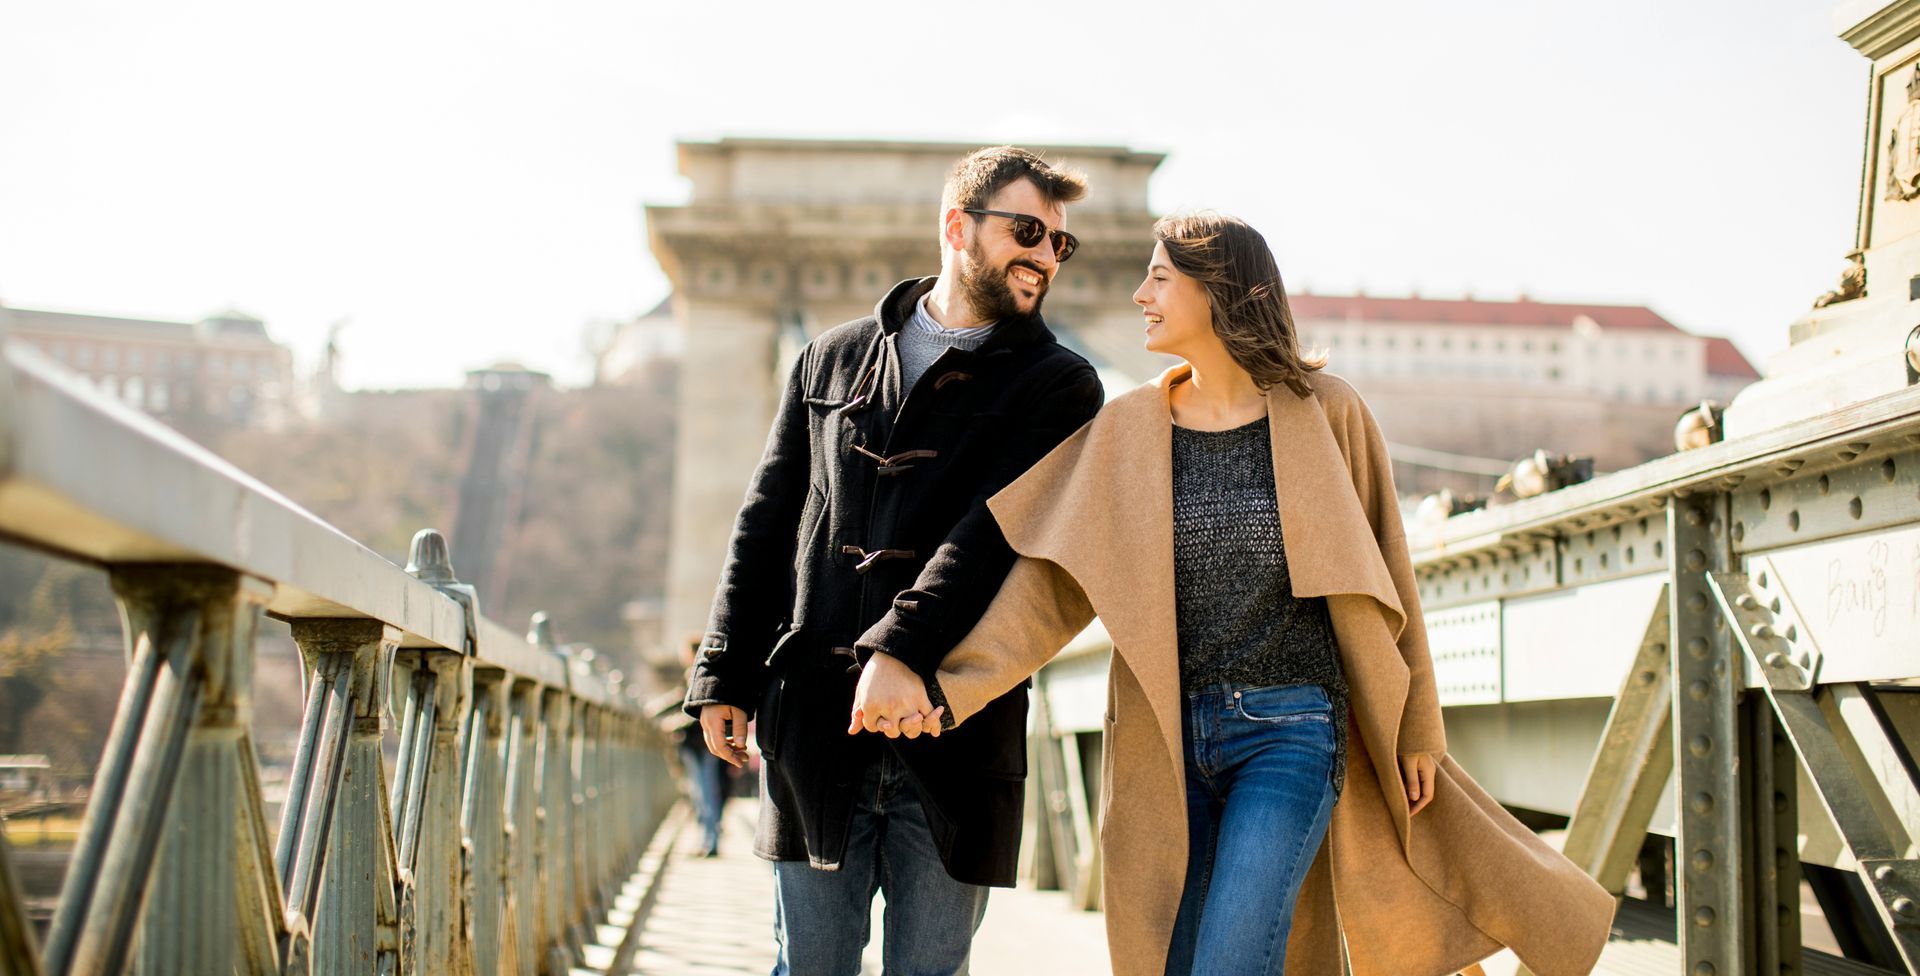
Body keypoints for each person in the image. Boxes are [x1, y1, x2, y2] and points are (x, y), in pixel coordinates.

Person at [861, 213, 1615, 976]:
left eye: (1159, 277)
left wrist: (1418, 727)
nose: (1138, 295)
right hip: (1169, 739)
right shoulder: (1127, 429)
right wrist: (945, 687)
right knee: (1175, 960)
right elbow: (1050, 591)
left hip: (1294, 731)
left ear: (1218, 290)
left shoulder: (1329, 412)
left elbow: (1391, 570)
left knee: (1234, 961)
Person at [682, 146, 1105, 975]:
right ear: (958, 226)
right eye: (1026, 230)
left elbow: (993, 534)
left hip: (953, 732)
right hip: (813, 726)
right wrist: (725, 672)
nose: (1045, 255)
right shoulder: (827, 359)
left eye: (1060, 242)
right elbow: (766, 525)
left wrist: (899, 649)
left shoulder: (1063, 386)